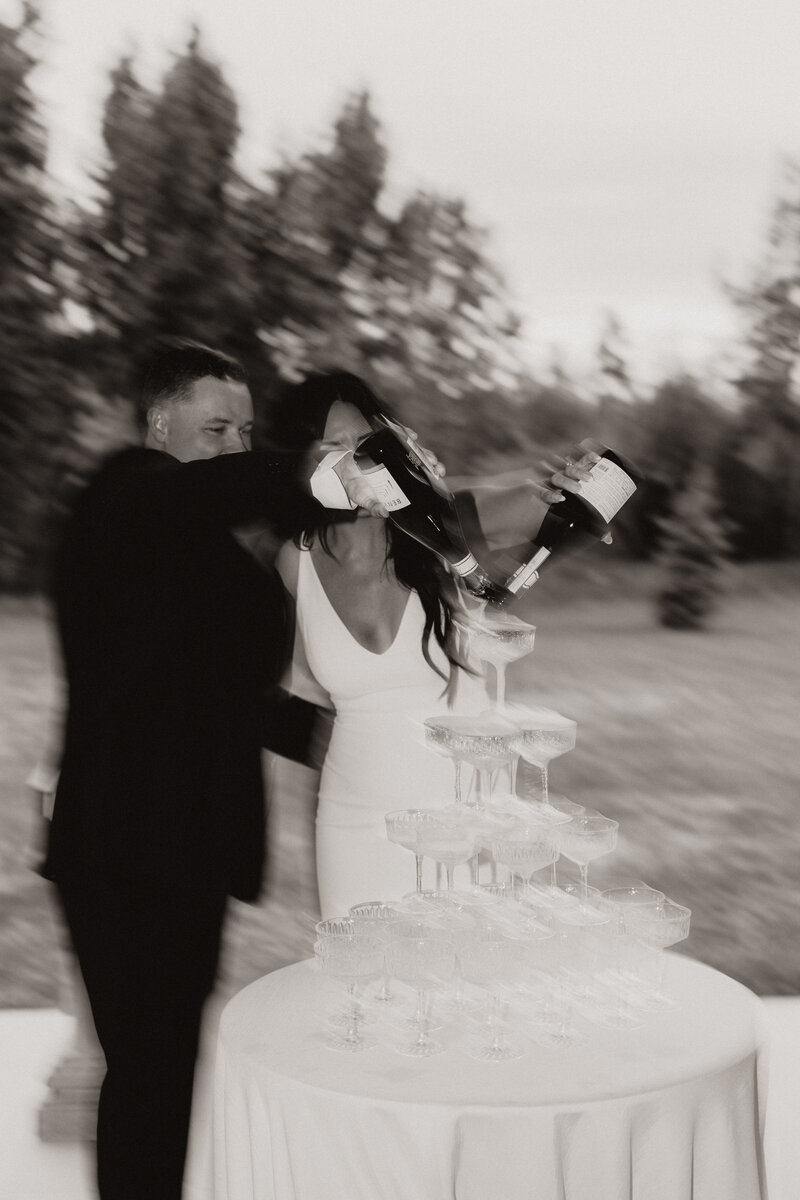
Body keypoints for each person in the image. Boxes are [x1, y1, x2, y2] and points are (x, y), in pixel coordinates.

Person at [43, 342, 391, 1200]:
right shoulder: (122, 495)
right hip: (118, 850)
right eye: (216, 427)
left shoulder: (204, 541)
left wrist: (356, 737)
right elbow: (212, 490)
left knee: (166, 1073)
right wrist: (350, 465)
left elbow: (225, 694)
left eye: (244, 430)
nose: (235, 448)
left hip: (191, 850)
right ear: (159, 423)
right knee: (146, 1077)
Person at [267, 371, 594, 918]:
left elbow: (549, 504)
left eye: (365, 443)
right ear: (304, 464)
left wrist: (579, 480)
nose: (357, 460)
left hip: (468, 819)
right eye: (333, 448)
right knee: (364, 991)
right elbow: (303, 689)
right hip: (354, 825)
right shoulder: (291, 561)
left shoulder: (450, 525)